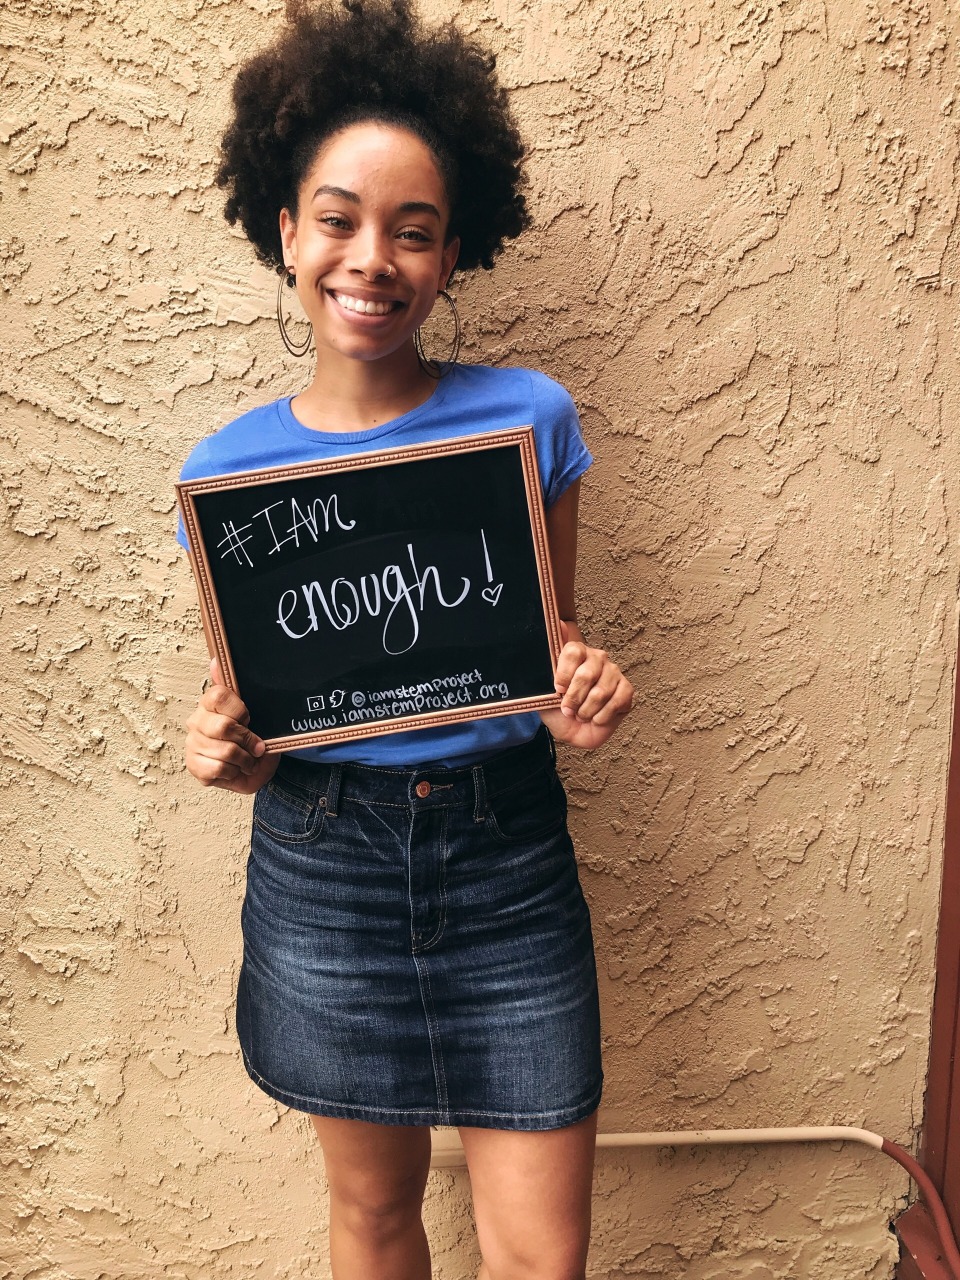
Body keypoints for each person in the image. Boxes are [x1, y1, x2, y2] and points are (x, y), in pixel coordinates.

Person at [179, 2, 633, 1276]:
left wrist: (578, 695)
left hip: (506, 857)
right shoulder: (229, 479)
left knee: (541, 1254)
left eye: (411, 230)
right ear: (285, 228)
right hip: (326, 866)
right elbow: (270, 715)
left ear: (451, 254)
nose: (369, 257)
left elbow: (547, 654)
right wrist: (231, 749)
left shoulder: (526, 425)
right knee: (374, 1218)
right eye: (337, 218)